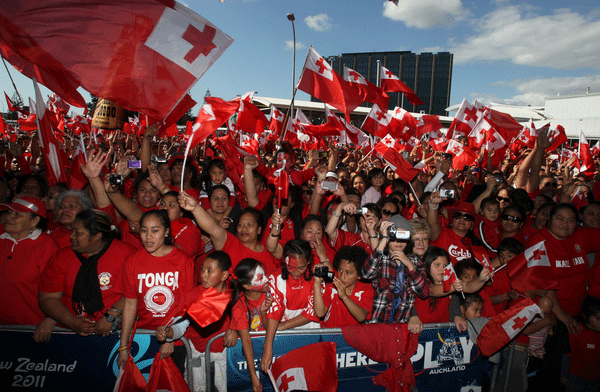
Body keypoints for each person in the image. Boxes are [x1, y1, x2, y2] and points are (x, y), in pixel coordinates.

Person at [527, 203, 600, 392]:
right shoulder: (538, 240)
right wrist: (562, 316)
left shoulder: (581, 236)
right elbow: (544, 284)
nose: (565, 224)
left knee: (567, 377)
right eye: (560, 218)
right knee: (546, 375)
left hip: (575, 317)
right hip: (548, 319)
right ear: (550, 219)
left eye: (571, 220)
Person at [38, 210, 135, 339]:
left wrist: (111, 316)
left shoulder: (127, 256)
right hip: (70, 332)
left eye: (78, 233)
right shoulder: (61, 258)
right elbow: (48, 298)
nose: (71, 236)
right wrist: (69, 320)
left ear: (97, 236)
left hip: (115, 333)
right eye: (72, 231)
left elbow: (138, 292)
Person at [117, 210, 195, 368]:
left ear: (166, 232)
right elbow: (130, 304)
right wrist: (123, 347)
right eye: (144, 230)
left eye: (155, 230)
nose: (148, 236)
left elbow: (186, 305)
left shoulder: (181, 260)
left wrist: (170, 338)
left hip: (174, 340)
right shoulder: (132, 261)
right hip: (142, 337)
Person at [156, 251, 232, 392]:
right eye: (202, 268)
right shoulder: (192, 295)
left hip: (222, 356)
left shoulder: (232, 295)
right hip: (196, 354)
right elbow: (181, 324)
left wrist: (233, 329)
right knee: (196, 388)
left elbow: (242, 319)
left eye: (210, 271)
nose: (203, 274)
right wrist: (169, 333)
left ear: (224, 275)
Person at [179, 191, 278, 276]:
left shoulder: (270, 252)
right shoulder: (231, 244)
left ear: (259, 230)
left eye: (249, 225)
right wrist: (195, 208)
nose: (244, 229)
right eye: (240, 225)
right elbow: (213, 228)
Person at [0, 196, 59, 334]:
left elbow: (59, 287)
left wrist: (51, 318)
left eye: (17, 214)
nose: (9, 217)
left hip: (31, 329)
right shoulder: (2, 239)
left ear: (34, 221)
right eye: (10, 212)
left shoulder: (45, 245)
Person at [261, 240, 320, 373]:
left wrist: (283, 326)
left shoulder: (315, 277)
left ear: (309, 262)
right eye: (291, 267)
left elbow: (314, 312)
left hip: (310, 335)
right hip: (283, 337)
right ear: (285, 261)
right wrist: (268, 346)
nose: (296, 272)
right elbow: (275, 311)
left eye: (301, 267)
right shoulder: (275, 278)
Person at [361, 215, 429, 331]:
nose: (398, 242)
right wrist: (384, 239)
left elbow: (424, 292)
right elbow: (366, 274)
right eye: (394, 236)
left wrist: (410, 266)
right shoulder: (381, 258)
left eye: (403, 236)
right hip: (376, 325)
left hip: (401, 327)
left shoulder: (415, 261)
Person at [229, 258, 273, 392]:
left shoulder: (271, 293)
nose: (267, 279)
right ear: (247, 286)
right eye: (261, 277)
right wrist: (253, 375)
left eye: (265, 273)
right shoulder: (239, 304)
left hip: (270, 347)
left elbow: (270, 327)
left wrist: (264, 312)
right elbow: (246, 339)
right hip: (248, 354)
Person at [312, 245, 374, 328]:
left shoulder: (366, 289)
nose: (342, 276)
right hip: (330, 336)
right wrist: (316, 283)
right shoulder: (331, 287)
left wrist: (344, 296)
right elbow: (319, 313)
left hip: (354, 337)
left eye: (348, 273)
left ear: (359, 275)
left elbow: (361, 317)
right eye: (340, 270)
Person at [565, 296, 600, 392]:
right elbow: (567, 355)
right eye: (598, 318)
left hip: (595, 379)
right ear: (586, 316)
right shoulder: (577, 330)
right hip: (576, 377)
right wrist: (563, 375)